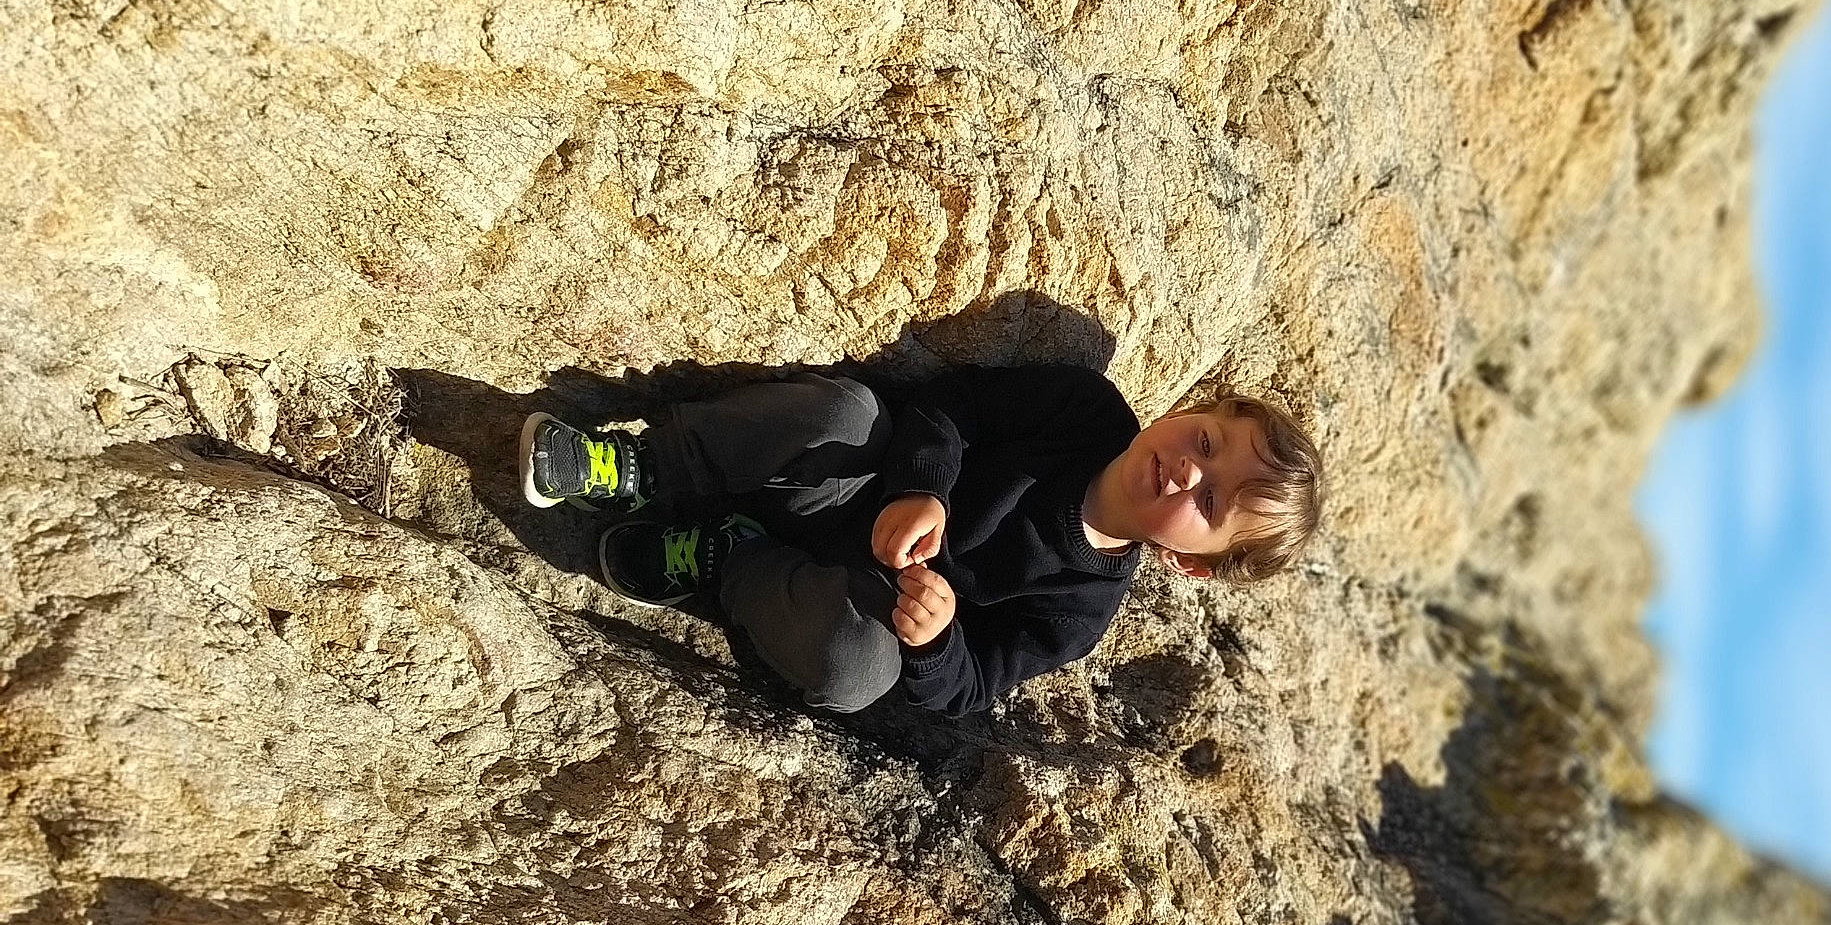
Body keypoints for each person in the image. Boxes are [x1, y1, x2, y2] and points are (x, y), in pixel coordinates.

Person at [517, 364, 1322, 716]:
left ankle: (731, 558)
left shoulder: (1080, 611)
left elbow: (972, 685)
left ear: (1190, 562)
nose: (1187, 471)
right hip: (854, 485)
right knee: (846, 416)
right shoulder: (1087, 410)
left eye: (1210, 502)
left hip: (854, 596)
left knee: (860, 672)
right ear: (1197, 410)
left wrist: (935, 638)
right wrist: (923, 485)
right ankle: (640, 463)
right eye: (1209, 443)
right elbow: (955, 401)